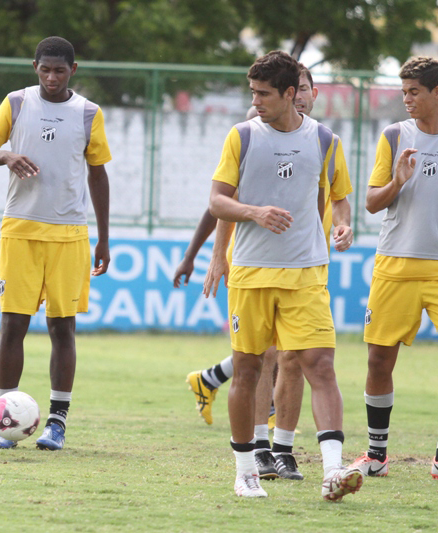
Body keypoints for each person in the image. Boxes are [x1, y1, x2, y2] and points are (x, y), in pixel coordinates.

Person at [181, 66, 355, 482]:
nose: (254, 101)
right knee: (249, 368)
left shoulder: (325, 140)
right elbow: (218, 203)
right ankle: (248, 469)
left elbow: (341, 198)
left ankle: (332, 470)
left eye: (262, 94)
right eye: (253, 93)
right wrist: (250, 217)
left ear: (291, 93)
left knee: (319, 365)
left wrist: (342, 225)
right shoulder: (241, 136)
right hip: (252, 274)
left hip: (307, 273)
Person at [0, 36, 111, 451]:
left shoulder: (88, 113)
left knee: (62, 326)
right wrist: (7, 157)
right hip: (20, 228)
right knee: (13, 323)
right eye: (45, 69)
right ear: (35, 66)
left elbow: (98, 174)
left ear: (73, 70)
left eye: (60, 70)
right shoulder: (16, 103)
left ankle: (57, 422)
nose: (52, 77)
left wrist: (104, 238)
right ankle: (5, 420)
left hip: (69, 232)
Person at [348, 56, 438, 480]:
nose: (406, 99)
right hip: (395, 264)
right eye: (403, 92)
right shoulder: (394, 136)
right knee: (379, 360)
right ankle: (377, 454)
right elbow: (369, 203)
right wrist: (398, 182)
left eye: (414, 92)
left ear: (436, 92)